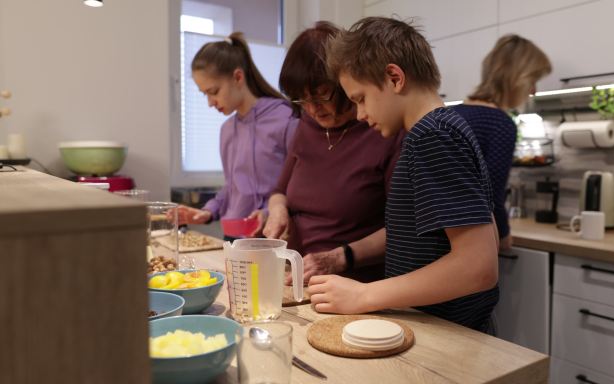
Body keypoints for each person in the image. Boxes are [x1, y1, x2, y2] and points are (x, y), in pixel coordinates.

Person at [310, 17, 499, 332]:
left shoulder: (432, 136)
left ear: (394, 78)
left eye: (360, 99)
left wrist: (364, 294)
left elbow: (479, 266)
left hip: (449, 335)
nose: (359, 114)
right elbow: (482, 230)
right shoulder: (446, 128)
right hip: (448, 330)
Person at [262, 21, 404, 284]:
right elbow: (279, 192)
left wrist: (339, 258)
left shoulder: (383, 127)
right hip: (299, 280)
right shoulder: (307, 126)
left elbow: (404, 228)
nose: (313, 109)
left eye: (321, 96)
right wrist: (279, 210)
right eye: (302, 100)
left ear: (344, 84)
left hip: (358, 285)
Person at [176, 32, 298, 238]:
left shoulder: (285, 119)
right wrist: (208, 212)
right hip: (233, 237)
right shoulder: (227, 130)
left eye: (213, 91)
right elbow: (233, 188)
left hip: (271, 237)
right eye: (204, 94)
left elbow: (298, 185)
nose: (210, 102)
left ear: (238, 77)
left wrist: (270, 212)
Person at [454, 35, 551, 250]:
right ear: (516, 78)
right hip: (469, 243)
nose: (534, 90)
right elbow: (491, 196)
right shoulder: (500, 124)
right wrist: (504, 235)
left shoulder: (450, 114)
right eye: (532, 80)